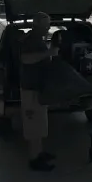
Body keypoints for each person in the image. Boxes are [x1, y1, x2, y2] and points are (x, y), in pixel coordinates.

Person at [20, 12, 59, 171]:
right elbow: (25, 58)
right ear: (37, 25)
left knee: (40, 123)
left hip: (38, 88)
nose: (48, 28)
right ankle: (34, 160)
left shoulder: (38, 39)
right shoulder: (29, 40)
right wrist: (48, 53)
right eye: (46, 25)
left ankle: (39, 152)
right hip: (30, 89)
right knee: (33, 125)